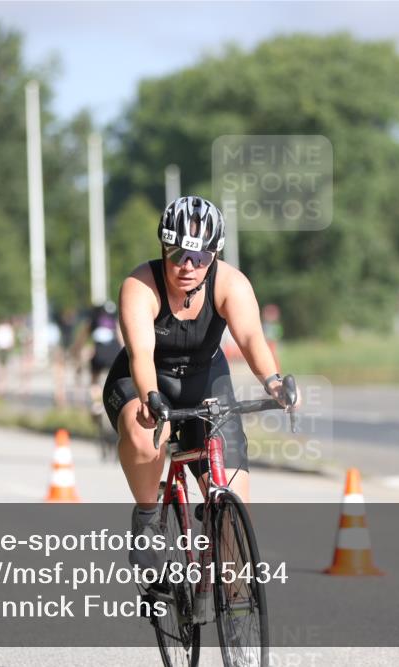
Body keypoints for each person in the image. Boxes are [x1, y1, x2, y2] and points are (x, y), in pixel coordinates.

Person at [102, 195, 294, 568]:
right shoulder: (140, 285)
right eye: (177, 255)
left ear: (215, 256)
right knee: (144, 436)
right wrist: (151, 398)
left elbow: (252, 338)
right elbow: (141, 353)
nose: (188, 266)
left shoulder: (230, 283)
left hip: (206, 381)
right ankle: (146, 519)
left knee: (234, 511)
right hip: (144, 379)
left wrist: (272, 382)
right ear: (163, 248)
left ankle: (235, 608)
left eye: (200, 257)